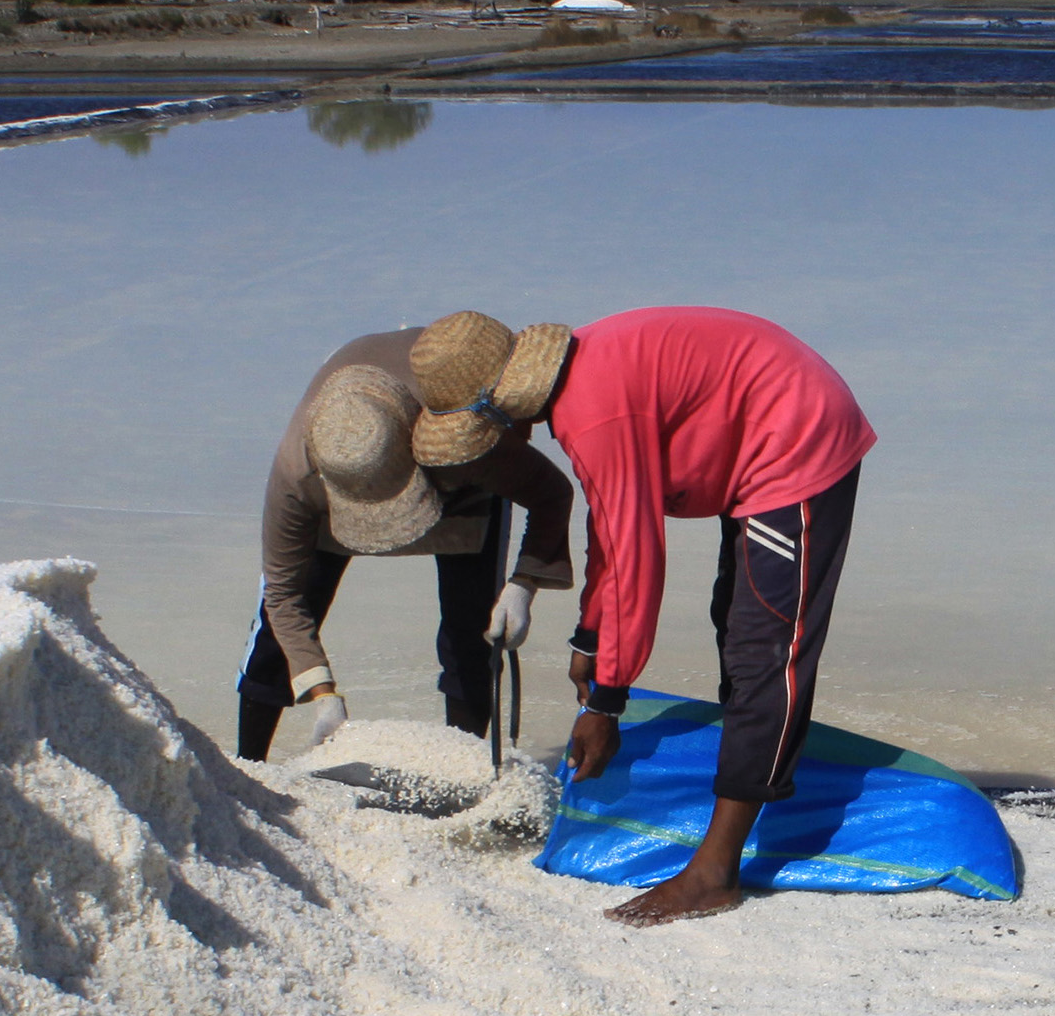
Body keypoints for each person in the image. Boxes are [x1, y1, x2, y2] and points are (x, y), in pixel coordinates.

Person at [427, 306, 876, 926]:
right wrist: (590, 636)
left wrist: (608, 700)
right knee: (734, 617)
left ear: (501, 414)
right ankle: (741, 781)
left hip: (794, 435)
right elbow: (610, 527)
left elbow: (639, 561)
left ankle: (715, 871)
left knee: (766, 643)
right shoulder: (578, 387)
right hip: (745, 434)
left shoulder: (594, 413)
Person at [236, 312, 574, 764]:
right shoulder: (298, 476)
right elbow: (282, 594)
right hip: (337, 480)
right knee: (282, 634)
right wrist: (320, 691)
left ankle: (463, 767)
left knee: (473, 631)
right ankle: (246, 768)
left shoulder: (463, 438)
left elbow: (551, 493)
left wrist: (523, 584)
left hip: (452, 473)